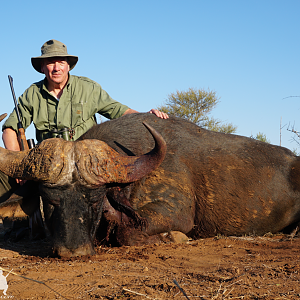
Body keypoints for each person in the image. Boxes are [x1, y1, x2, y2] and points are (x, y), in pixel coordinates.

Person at [0, 39, 168, 197]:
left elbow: (119, 111)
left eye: (61, 62)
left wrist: (146, 115)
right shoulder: (32, 93)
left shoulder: (88, 88)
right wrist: (19, 164)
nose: (56, 68)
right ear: (42, 67)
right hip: (50, 167)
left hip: (88, 165)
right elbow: (9, 129)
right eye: (51, 62)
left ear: (68, 66)